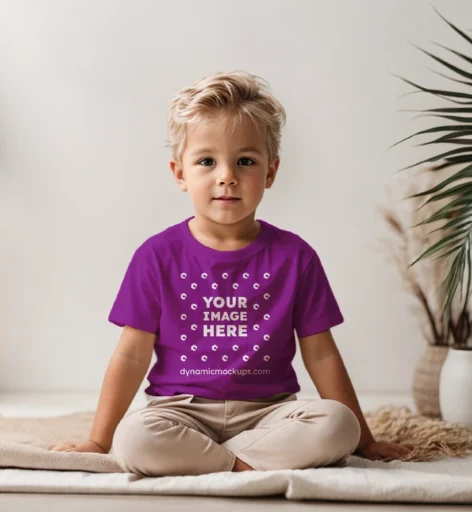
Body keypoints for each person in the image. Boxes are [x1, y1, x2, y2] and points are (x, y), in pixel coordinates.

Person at [52, 71, 412, 476]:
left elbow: (322, 353)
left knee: (336, 425)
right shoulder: (156, 256)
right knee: (134, 439)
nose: (227, 175)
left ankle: (213, 462)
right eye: (207, 161)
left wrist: (364, 440)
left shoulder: (296, 257)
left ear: (270, 173)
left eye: (245, 161)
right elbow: (131, 354)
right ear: (180, 173)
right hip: (181, 413)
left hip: (269, 414)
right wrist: (99, 441)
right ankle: (248, 464)